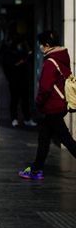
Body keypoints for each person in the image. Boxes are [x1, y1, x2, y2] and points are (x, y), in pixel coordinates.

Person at [18, 30, 76, 180]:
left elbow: (45, 87)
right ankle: (37, 169)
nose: (41, 48)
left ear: (48, 45)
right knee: (44, 138)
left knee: (66, 140)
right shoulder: (62, 57)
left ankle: (36, 169)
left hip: (52, 107)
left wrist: (38, 102)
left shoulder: (50, 62)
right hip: (59, 105)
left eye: (42, 45)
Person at [0, 30, 34, 128]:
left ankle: (26, 118)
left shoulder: (24, 46)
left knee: (25, 99)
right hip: (14, 78)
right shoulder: (9, 48)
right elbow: (7, 63)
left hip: (23, 77)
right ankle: (14, 118)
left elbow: (29, 56)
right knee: (15, 99)